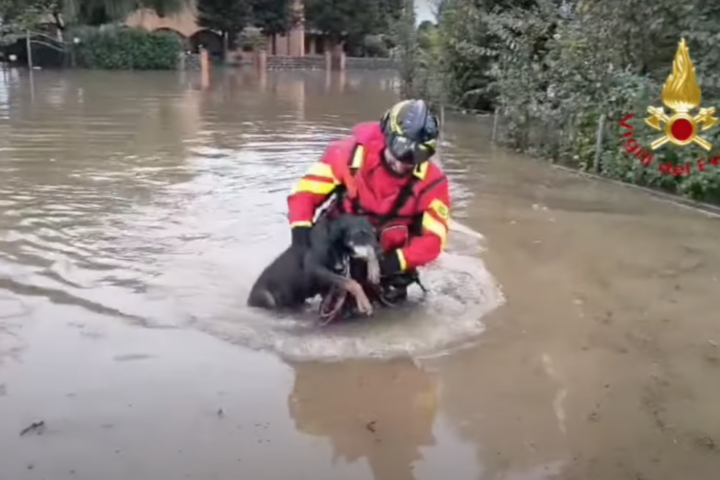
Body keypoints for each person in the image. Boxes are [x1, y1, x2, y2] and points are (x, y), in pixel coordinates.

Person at [287, 99, 450, 303]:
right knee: (291, 291)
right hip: (338, 244)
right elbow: (305, 194)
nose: (402, 163)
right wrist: (301, 240)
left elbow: (434, 241)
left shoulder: (434, 183)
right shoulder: (347, 155)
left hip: (389, 258)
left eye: (417, 155)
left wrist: (392, 262)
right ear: (387, 134)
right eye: (400, 149)